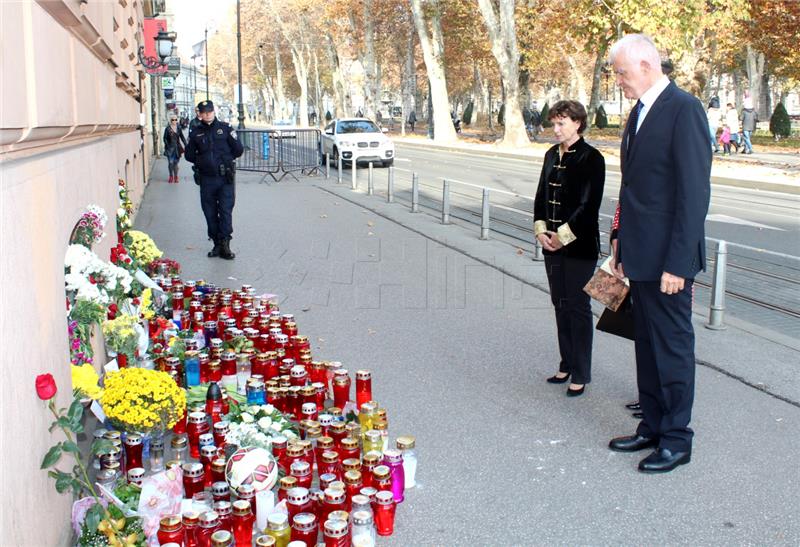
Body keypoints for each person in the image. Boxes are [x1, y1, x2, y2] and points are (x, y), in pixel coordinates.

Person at [607, 34, 711, 474]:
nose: (618, 81)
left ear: (647, 65)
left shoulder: (683, 109)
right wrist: (621, 243)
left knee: (671, 349)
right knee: (646, 347)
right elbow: (633, 189)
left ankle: (676, 438)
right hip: (640, 254)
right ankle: (651, 424)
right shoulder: (639, 112)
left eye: (622, 73)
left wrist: (678, 264)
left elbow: (693, 194)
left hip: (668, 261)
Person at [534, 100, 605, 397]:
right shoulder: (551, 154)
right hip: (551, 244)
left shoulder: (591, 158)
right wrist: (541, 231)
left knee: (578, 308)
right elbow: (541, 194)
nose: (556, 128)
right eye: (554, 123)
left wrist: (562, 236)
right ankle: (566, 362)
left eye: (562, 123)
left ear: (578, 123)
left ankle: (581, 371)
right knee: (560, 304)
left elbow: (589, 207)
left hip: (579, 247)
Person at [184, 100, 244, 260]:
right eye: (204, 112)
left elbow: (238, 149)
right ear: (200, 114)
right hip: (207, 178)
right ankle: (216, 243)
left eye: (210, 111)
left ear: (214, 112)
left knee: (225, 211)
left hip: (225, 178)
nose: (207, 114)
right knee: (209, 212)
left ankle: (225, 244)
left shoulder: (225, 129)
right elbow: (189, 155)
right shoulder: (195, 132)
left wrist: (225, 159)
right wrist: (202, 161)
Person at [163, 116, 187, 184]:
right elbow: (164, 138)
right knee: (170, 163)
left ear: (177, 120)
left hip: (177, 148)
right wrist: (167, 145)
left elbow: (182, 137)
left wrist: (186, 145)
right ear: (170, 120)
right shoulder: (167, 129)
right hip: (170, 149)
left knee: (175, 163)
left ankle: (176, 176)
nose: (174, 121)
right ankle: (171, 176)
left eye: (175, 119)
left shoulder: (179, 128)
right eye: (172, 120)